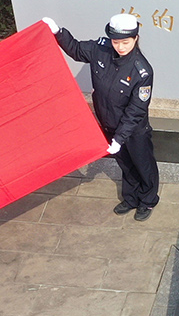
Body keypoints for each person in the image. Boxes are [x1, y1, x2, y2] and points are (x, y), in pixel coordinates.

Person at [44, 12, 159, 220]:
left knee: (143, 164)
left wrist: (120, 138)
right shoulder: (101, 49)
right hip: (109, 123)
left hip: (133, 130)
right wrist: (58, 32)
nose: (120, 47)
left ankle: (148, 200)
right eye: (116, 42)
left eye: (125, 42)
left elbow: (136, 110)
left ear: (135, 39)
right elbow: (76, 49)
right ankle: (131, 198)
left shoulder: (142, 71)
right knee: (125, 164)